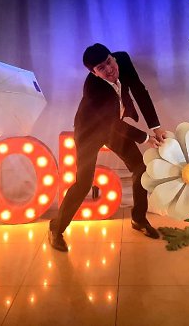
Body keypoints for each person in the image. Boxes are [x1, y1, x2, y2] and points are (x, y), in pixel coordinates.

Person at [48, 43, 167, 252]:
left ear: (113, 57)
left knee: (140, 168)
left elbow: (139, 90)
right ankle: (56, 229)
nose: (109, 69)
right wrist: (145, 137)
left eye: (109, 62)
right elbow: (112, 123)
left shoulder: (123, 60)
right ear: (94, 73)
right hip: (90, 131)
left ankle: (138, 219)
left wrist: (156, 127)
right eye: (101, 68)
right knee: (84, 183)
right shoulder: (93, 88)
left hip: (113, 127)